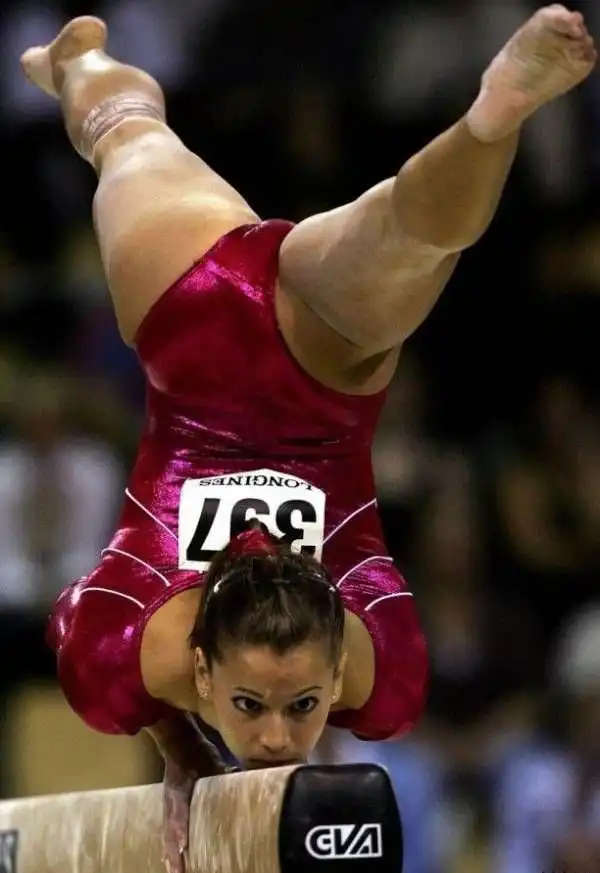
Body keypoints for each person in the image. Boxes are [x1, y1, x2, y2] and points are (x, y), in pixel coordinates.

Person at [20, 6, 595, 872]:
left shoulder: (121, 663)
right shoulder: (382, 675)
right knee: (406, 237)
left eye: (258, 702)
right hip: (327, 357)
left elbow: (72, 612)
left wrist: (176, 739)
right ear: (336, 669)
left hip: (193, 317)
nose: (276, 738)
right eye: (289, 704)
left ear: (202, 670)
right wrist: (183, 731)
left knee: (124, 130)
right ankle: (495, 114)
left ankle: (78, 62)